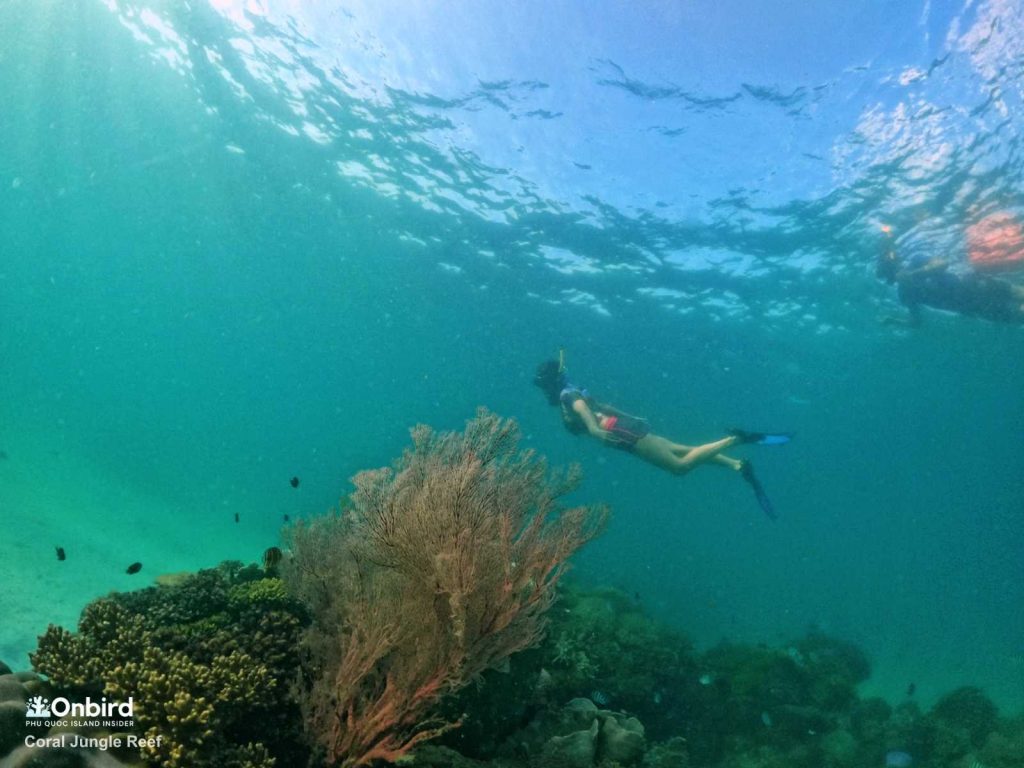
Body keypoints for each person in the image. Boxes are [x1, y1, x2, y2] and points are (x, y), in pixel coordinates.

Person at [532, 352, 790, 520]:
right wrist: (630, 416)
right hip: (623, 425)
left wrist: (596, 431)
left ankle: (738, 439)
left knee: (679, 467)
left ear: (549, 384)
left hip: (621, 432)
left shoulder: (567, 395)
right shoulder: (573, 387)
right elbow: (602, 406)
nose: (544, 390)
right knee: (680, 449)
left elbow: (583, 412)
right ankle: (738, 465)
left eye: (543, 385)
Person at [876, 241, 1024, 327]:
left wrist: (915, 273)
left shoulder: (916, 260)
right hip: (970, 307)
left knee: (1016, 293)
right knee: (1017, 315)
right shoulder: (905, 294)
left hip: (973, 285)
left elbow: (943, 263)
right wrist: (893, 321)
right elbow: (916, 322)